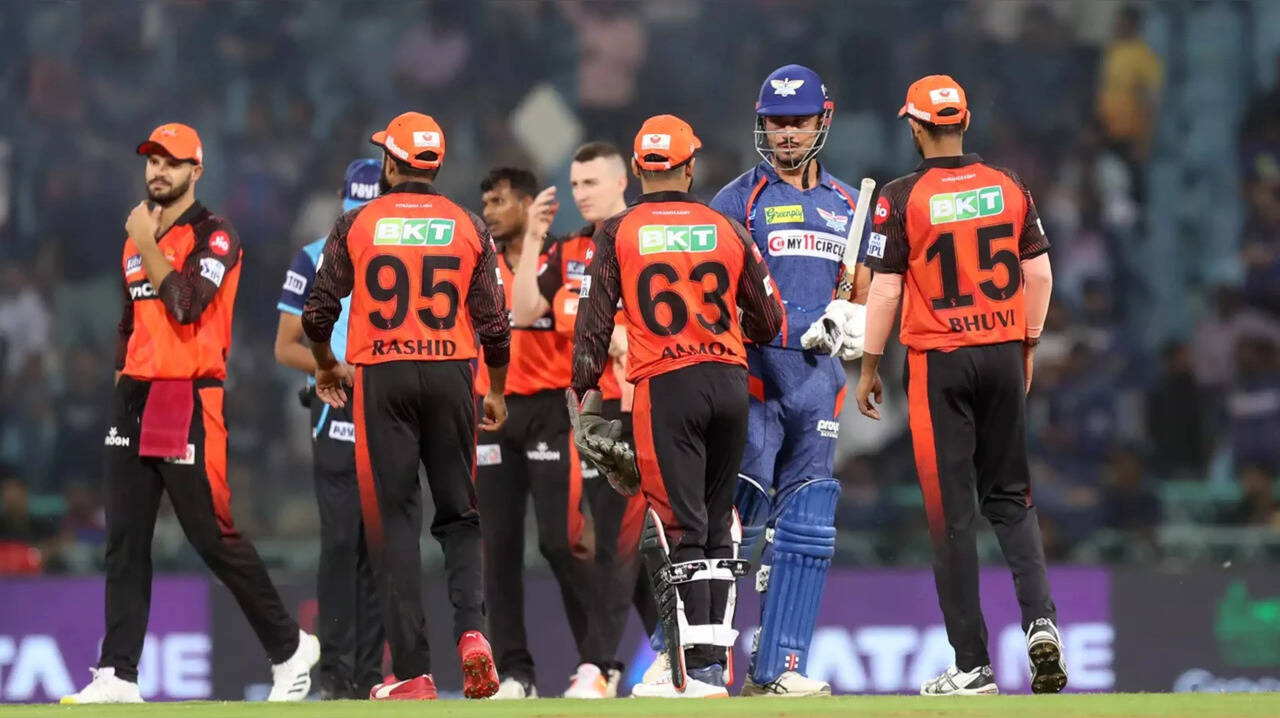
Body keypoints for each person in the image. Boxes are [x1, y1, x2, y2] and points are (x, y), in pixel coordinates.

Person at [63, 123, 318, 705]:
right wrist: (122, 384)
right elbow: (130, 320)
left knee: (211, 536)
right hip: (135, 395)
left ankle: (290, 648)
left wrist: (146, 241)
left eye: (171, 162)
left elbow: (184, 305)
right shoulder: (137, 238)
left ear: (196, 171)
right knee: (125, 540)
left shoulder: (215, 235)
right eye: (152, 160)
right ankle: (118, 674)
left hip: (188, 395)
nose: (158, 171)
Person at [652, 63, 869, 698]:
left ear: (823, 120)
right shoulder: (736, 201)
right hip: (752, 379)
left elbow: (865, 292)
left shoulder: (848, 206)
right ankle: (686, 663)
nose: (787, 134)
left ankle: (779, 668)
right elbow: (703, 297)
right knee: (731, 522)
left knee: (807, 528)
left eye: (798, 122)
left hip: (819, 384)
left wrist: (857, 323)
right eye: (777, 123)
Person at [856, 76, 1067, 696]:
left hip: (939, 364)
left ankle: (973, 664)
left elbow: (886, 289)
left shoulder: (901, 196)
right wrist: (1027, 344)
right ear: (965, 121)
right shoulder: (1008, 185)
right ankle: (1041, 621)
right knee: (1012, 498)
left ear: (915, 127)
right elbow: (1040, 276)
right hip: (1001, 351)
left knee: (951, 516)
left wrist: (869, 365)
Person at [570, 114, 784, 698]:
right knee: (715, 521)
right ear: (690, 167)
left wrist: (583, 393)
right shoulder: (726, 227)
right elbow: (769, 320)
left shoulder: (618, 231)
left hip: (667, 385)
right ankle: (713, 661)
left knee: (677, 524)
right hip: (729, 382)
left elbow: (593, 324)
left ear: (637, 169)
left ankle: (689, 666)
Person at [302, 112, 509, 701]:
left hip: (383, 376)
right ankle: (473, 633)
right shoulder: (468, 225)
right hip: (452, 374)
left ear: (391, 163)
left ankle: (414, 672)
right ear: (436, 165)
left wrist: (325, 364)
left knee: (394, 523)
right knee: (460, 515)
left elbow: (317, 313)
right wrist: (495, 389)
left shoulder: (357, 223)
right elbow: (495, 326)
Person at [508, 142, 658, 698]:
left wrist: (628, 336)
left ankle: (597, 666)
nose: (580, 194)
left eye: (591, 182)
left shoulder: (645, 239)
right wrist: (532, 239)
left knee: (619, 542)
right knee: (601, 544)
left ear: (623, 182)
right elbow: (523, 312)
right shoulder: (570, 250)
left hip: (634, 409)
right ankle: (674, 650)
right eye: (574, 184)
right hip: (586, 414)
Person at [474, 167, 597, 699]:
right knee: (497, 547)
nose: (489, 211)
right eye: (486, 202)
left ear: (528, 205)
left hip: (550, 409)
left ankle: (596, 661)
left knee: (559, 542)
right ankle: (515, 673)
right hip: (492, 412)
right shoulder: (476, 264)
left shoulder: (564, 257)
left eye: (500, 201)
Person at [274, 158, 384, 700]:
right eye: (353, 208)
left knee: (379, 548)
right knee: (341, 543)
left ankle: (370, 677)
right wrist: (332, 369)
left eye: (368, 209)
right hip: (336, 411)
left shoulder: (401, 261)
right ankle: (338, 677)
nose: (358, 219)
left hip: (388, 411)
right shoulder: (314, 257)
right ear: (342, 204)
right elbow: (284, 346)